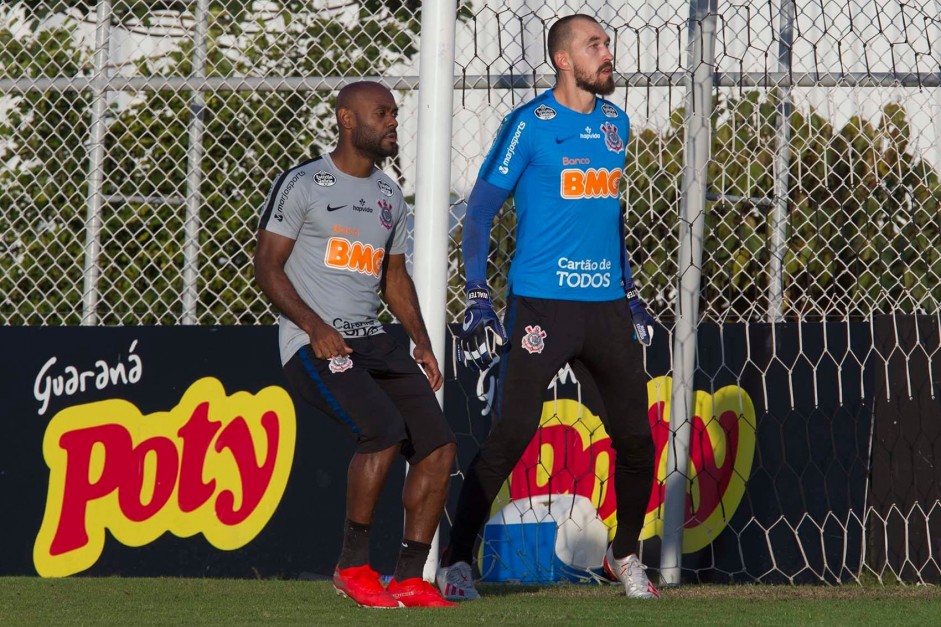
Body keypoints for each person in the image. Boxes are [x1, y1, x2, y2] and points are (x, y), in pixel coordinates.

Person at [437, 15, 660, 601]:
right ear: (564, 60)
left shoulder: (616, 123)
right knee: (511, 433)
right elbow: (481, 211)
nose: (607, 53)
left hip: (606, 306)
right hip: (542, 304)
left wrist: (630, 290)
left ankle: (626, 553)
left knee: (638, 439)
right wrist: (478, 294)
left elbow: (608, 217)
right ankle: (459, 562)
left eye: (607, 43)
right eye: (595, 45)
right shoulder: (528, 126)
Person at [254, 81, 457, 609]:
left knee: (438, 448)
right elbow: (267, 267)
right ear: (347, 119)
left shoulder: (389, 194)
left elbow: (394, 277)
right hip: (315, 342)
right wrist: (316, 327)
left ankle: (411, 578)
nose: (393, 121)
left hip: (375, 341)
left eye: (394, 112)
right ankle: (353, 565)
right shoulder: (303, 183)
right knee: (383, 430)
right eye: (381, 112)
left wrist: (421, 341)